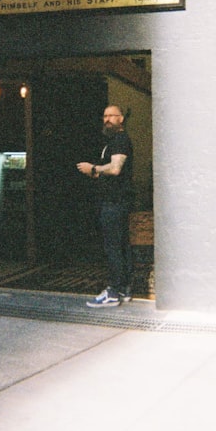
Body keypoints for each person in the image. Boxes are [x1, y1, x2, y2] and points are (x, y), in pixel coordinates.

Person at [76, 104, 134, 308]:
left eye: (112, 116)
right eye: (105, 116)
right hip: (115, 201)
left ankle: (114, 291)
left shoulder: (119, 140)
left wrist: (94, 168)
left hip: (115, 202)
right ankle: (124, 288)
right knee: (120, 245)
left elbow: (116, 168)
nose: (107, 119)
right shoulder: (112, 142)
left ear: (121, 119)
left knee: (113, 247)